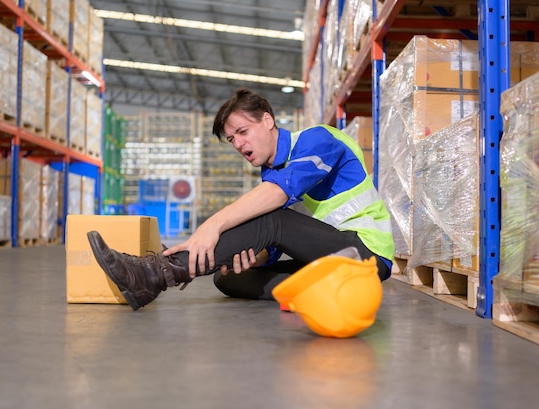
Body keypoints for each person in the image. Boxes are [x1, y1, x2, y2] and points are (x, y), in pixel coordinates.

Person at [87, 87, 395, 310]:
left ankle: (155, 274)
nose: (238, 143)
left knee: (271, 216)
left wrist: (212, 226)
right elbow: (277, 246)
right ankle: (321, 295)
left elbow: (279, 199)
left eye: (243, 131)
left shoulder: (318, 139)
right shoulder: (269, 175)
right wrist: (255, 257)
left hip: (365, 255)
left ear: (267, 120)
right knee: (228, 279)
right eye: (232, 139)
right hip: (329, 261)